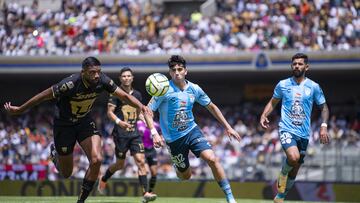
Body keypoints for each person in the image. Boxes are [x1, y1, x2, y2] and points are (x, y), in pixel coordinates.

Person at [3, 57, 157, 203]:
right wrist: (20, 109)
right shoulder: (70, 83)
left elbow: (124, 96)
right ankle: (56, 154)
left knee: (97, 160)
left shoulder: (103, 80)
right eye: (92, 72)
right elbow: (43, 96)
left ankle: (81, 200)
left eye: (98, 71)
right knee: (66, 173)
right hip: (64, 125)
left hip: (84, 122)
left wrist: (142, 107)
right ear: (83, 72)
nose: (96, 75)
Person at [148, 55, 241, 203]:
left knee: (213, 159)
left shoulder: (194, 89)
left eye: (180, 69)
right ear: (170, 73)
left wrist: (228, 127)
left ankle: (230, 198)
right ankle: (178, 168)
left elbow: (211, 106)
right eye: (173, 70)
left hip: (192, 131)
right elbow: (147, 111)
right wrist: (154, 133)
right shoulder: (162, 90)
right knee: (185, 176)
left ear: (186, 71)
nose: (177, 72)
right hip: (174, 140)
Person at [259, 53, 330, 203]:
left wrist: (323, 126)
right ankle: (283, 173)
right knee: (293, 157)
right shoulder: (283, 84)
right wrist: (264, 115)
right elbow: (273, 102)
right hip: (286, 129)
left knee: (295, 168)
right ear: (291, 66)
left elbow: (324, 108)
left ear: (306, 67)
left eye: (300, 64)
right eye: (294, 64)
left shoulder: (314, 87)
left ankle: (281, 196)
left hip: (303, 134)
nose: (297, 66)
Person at [97, 67, 157, 203]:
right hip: (120, 135)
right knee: (119, 164)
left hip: (135, 134)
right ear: (120, 78)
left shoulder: (137, 95)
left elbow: (139, 114)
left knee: (141, 161)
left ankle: (145, 192)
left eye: (128, 76)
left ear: (132, 78)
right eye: (123, 76)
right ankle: (104, 178)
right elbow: (110, 112)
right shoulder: (115, 93)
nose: (126, 78)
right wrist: (119, 122)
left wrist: (147, 121)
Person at [137, 119, 161, 196]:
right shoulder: (139, 124)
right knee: (146, 170)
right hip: (142, 150)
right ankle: (145, 192)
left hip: (151, 150)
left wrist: (161, 140)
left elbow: (160, 135)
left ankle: (150, 191)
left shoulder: (156, 125)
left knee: (154, 173)